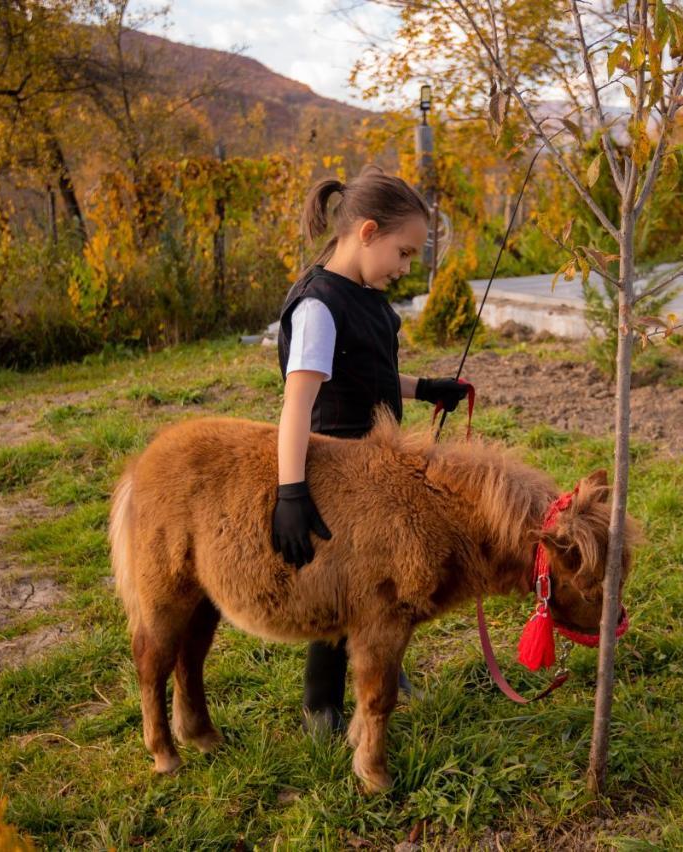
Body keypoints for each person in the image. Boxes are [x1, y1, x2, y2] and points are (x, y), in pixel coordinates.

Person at [273, 165, 471, 735]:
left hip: (377, 467)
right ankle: (321, 705)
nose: (407, 268)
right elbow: (296, 405)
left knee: (388, 580)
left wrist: (424, 388)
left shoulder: (364, 296)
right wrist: (291, 491)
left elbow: (367, 375)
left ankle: (386, 667)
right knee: (344, 590)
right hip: (337, 471)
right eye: (404, 253)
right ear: (366, 232)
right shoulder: (318, 307)